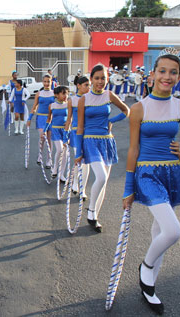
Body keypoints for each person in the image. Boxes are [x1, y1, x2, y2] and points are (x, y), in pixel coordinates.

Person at [123, 49, 180, 315]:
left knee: (160, 232)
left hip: (172, 173)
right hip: (147, 174)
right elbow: (133, 150)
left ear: (179, 76)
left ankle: (149, 287)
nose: (167, 76)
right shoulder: (138, 108)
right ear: (152, 74)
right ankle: (146, 268)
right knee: (173, 231)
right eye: (162, 71)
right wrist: (128, 188)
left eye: (173, 72)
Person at [74, 63, 130, 233]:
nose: (100, 81)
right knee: (102, 176)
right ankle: (91, 210)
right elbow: (80, 127)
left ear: (107, 79)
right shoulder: (84, 99)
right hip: (90, 141)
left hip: (107, 141)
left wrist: (112, 120)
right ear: (91, 80)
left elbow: (127, 110)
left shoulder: (109, 95)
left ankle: (94, 216)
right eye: (97, 78)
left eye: (103, 78)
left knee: (104, 183)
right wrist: (78, 151)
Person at [27, 74, 55, 168]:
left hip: (51, 118)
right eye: (45, 81)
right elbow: (34, 107)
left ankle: (49, 159)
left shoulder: (54, 93)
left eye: (48, 81)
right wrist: (29, 118)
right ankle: (40, 154)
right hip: (41, 118)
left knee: (49, 139)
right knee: (42, 137)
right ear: (42, 82)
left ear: (51, 82)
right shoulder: (39, 93)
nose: (47, 83)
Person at [69, 76, 90, 199]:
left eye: (89, 85)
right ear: (78, 85)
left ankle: (83, 189)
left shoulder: (91, 99)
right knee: (79, 160)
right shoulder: (72, 100)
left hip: (88, 133)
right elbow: (69, 118)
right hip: (76, 133)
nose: (88, 87)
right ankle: (75, 183)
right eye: (86, 85)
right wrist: (66, 134)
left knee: (86, 162)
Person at [45, 86, 71, 180]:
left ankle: (61, 174)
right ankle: (55, 168)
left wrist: (69, 122)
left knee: (65, 153)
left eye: (67, 93)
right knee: (59, 149)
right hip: (55, 130)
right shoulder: (52, 106)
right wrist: (45, 129)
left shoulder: (68, 104)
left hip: (65, 130)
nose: (65, 95)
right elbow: (49, 119)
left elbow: (71, 117)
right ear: (56, 95)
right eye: (63, 93)